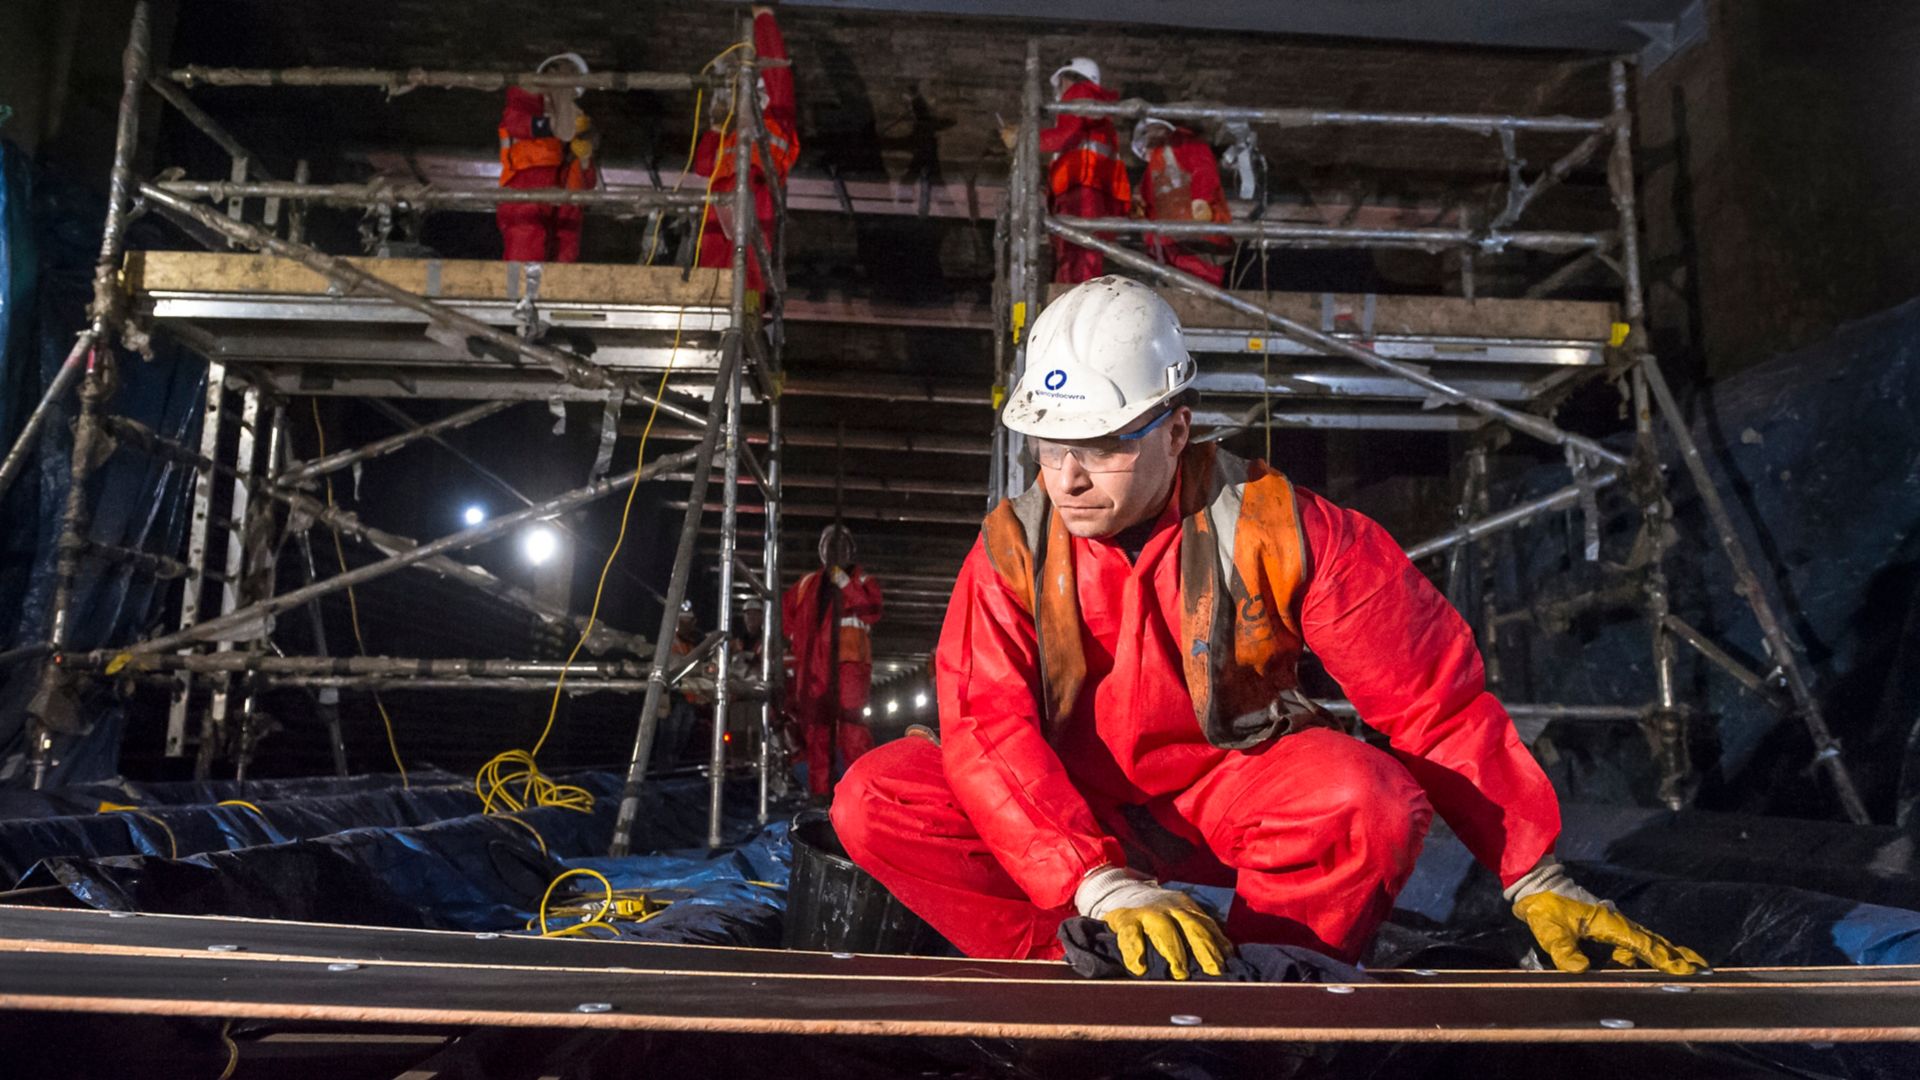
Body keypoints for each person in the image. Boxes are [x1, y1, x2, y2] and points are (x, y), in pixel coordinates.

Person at [833, 276, 1706, 980]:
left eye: (1100, 446)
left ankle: (1265, 992)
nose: (1066, 479)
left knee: (1363, 799)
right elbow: (988, 729)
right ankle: (1080, 968)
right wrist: (1096, 884)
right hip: (1081, 809)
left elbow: (1432, 702)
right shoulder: (1012, 552)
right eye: (1046, 447)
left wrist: (1530, 869)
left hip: (1233, 795)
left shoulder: (1284, 528)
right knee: (878, 795)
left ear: (1176, 431)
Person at [692, 6, 798, 290]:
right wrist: (714, 128)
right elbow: (703, 167)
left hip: (757, 194)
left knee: (749, 266)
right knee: (714, 269)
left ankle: (749, 305)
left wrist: (764, 17)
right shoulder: (730, 131)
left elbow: (777, 68)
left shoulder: (776, 115)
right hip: (722, 201)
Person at [1002, 58, 1132, 284]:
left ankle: (1075, 313)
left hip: (1081, 190)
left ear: (1066, 78)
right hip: (1090, 189)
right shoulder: (1095, 109)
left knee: (1077, 261)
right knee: (1083, 257)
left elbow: (1065, 136)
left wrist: (1023, 138)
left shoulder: (1079, 93)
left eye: (1060, 82)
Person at [783, 524, 883, 798]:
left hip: (850, 664)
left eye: (841, 545)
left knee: (853, 730)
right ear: (821, 551)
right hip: (816, 667)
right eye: (830, 545)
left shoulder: (862, 581)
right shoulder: (806, 586)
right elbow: (786, 621)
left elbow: (871, 611)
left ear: (851, 550)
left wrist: (844, 583)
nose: (835, 551)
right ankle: (820, 796)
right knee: (819, 730)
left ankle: (858, 794)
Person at [496, 53, 601, 262]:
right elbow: (516, 122)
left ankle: (554, 291)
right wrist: (551, 126)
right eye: (561, 72)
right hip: (525, 184)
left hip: (564, 198)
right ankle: (521, 291)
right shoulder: (524, 96)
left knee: (564, 244)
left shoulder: (574, 118)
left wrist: (585, 159)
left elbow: (587, 184)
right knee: (526, 237)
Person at [1131, 118, 1232, 286]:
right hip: (1172, 244)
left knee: (1201, 285)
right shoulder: (1156, 166)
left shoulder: (1185, 145)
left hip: (1194, 240)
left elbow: (1203, 173)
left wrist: (1201, 203)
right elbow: (1147, 203)